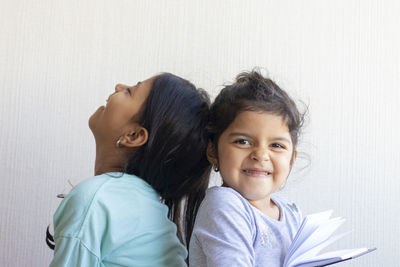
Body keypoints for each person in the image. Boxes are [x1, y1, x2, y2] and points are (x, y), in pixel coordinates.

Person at [48, 73, 211, 266]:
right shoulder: (146, 208)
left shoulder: (96, 200)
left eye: (129, 91)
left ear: (133, 135)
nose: (118, 86)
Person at [189, 70, 305, 266]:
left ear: (292, 159)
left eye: (276, 145)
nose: (260, 155)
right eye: (242, 141)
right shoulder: (224, 204)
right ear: (213, 151)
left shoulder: (292, 212)